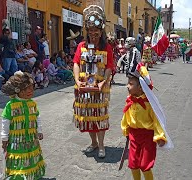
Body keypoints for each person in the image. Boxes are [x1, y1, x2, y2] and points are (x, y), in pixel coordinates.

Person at [72, 4, 114, 158]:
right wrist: (77, 80)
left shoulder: (107, 47)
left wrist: (104, 82)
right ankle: (94, 142)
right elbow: (76, 63)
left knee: (100, 115)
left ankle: (101, 145)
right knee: (88, 115)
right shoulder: (81, 46)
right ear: (87, 32)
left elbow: (109, 66)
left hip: (100, 87)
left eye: (96, 33)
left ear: (101, 32)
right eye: (90, 33)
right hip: (84, 87)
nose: (93, 36)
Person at [121, 63, 173, 180]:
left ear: (140, 87)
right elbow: (126, 116)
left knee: (145, 165)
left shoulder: (149, 104)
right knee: (133, 164)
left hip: (147, 136)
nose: (127, 86)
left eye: (131, 84)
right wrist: (126, 128)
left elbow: (156, 120)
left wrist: (160, 136)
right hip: (134, 135)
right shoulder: (130, 100)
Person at [1, 71, 45, 179]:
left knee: (31, 157)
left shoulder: (32, 103)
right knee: (19, 159)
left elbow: (37, 117)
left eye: (31, 87)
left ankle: (32, 175)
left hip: (31, 138)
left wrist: (39, 130)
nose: (30, 91)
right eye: (26, 89)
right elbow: (5, 122)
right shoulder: (10, 105)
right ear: (17, 91)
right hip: (16, 140)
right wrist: (4, 137)